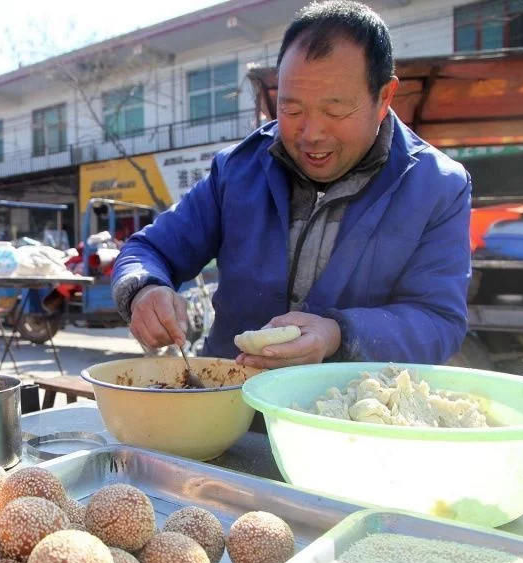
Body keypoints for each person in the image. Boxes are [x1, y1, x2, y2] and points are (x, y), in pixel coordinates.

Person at [112, 1, 471, 369]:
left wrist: (337, 334)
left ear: (384, 98)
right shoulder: (239, 170)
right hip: (228, 406)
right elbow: (147, 249)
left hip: (344, 417)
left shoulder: (437, 187)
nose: (311, 134)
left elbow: (438, 322)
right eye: (292, 110)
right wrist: (145, 289)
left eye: (335, 110)